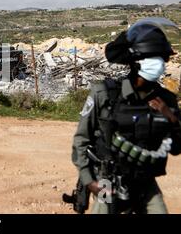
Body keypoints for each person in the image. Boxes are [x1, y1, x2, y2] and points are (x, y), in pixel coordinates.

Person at [71, 17, 181, 214]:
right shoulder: (105, 94)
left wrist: (171, 117)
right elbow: (81, 140)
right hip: (107, 180)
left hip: (144, 182)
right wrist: (90, 182)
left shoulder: (166, 100)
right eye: (154, 59)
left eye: (162, 59)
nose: (161, 65)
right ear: (136, 62)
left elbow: (177, 148)